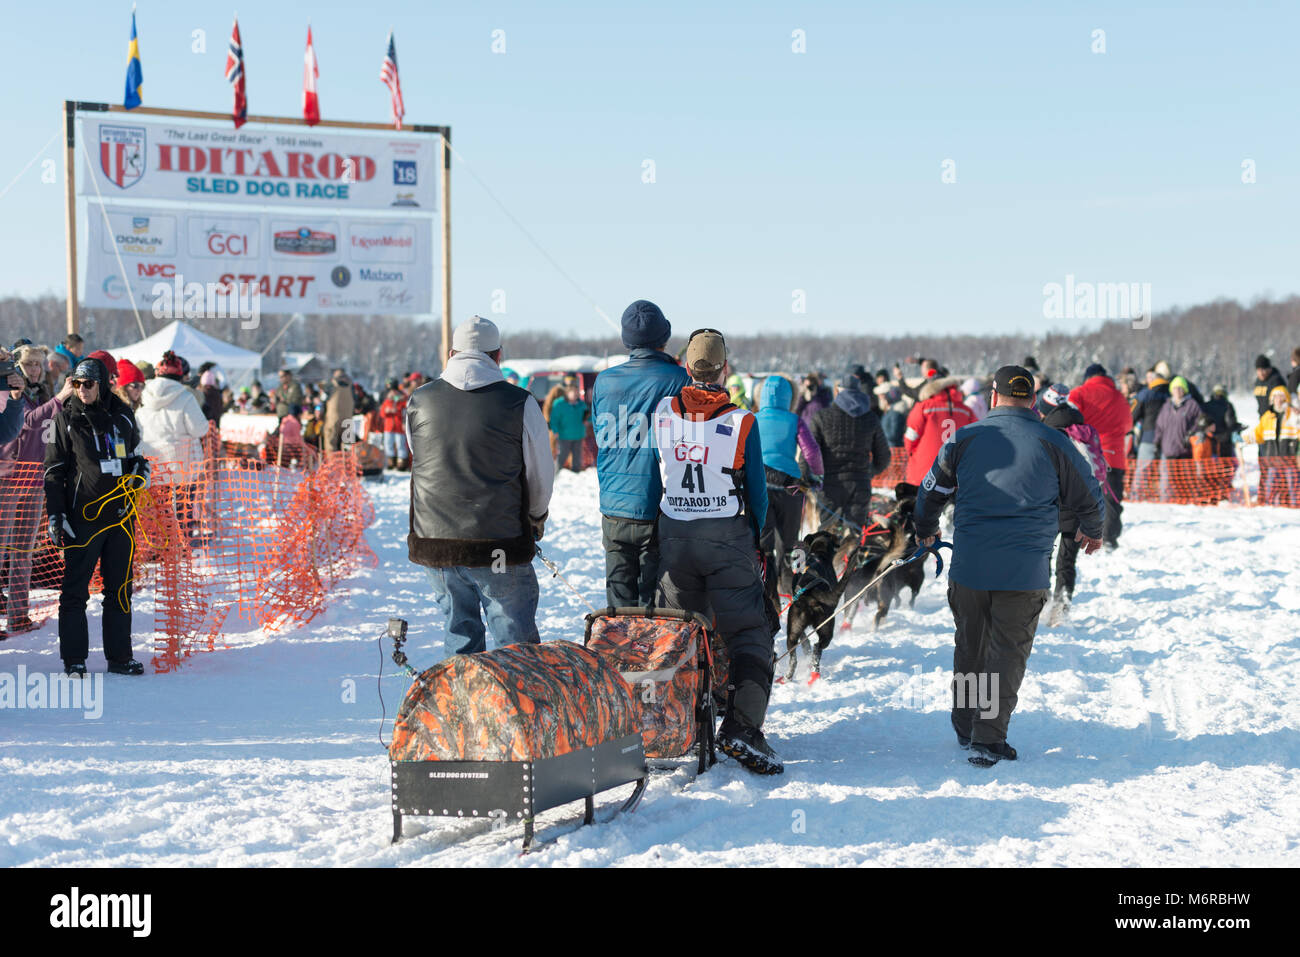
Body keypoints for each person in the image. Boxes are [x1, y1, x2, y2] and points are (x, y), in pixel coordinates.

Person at [914, 365, 1103, 767]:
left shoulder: (963, 439)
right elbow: (1090, 492)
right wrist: (1094, 530)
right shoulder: (1054, 442)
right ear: (1033, 400)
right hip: (1024, 571)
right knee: (1006, 653)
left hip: (971, 568)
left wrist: (926, 529)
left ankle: (967, 727)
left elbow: (931, 492)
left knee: (971, 646)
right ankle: (987, 737)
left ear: (994, 396)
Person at [652, 328, 781, 774]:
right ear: (725, 369)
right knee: (749, 632)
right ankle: (743, 727)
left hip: (675, 537)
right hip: (727, 537)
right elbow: (760, 495)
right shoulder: (743, 420)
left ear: (687, 367)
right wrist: (758, 539)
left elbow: (661, 469)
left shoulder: (663, 413)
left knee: (678, 635)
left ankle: (673, 720)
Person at [406, 316, 554, 657]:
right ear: (497, 356)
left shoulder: (419, 400)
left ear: (451, 353)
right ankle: (516, 708)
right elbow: (540, 472)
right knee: (513, 643)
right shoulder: (519, 402)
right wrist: (537, 514)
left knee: (459, 638)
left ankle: (463, 707)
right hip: (498, 540)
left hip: (437, 540)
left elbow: (421, 457)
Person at [43, 357, 149, 676]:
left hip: (119, 515)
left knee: (119, 588)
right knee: (76, 590)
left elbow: (130, 457)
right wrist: (56, 514)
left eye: (88, 384)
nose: (82, 390)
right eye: (76, 384)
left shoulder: (122, 417)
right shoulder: (65, 420)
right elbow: (53, 471)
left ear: (102, 385)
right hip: (82, 518)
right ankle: (74, 658)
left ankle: (119, 657)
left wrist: (140, 471)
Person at [591, 300, 691, 607]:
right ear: (664, 337)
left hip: (615, 505)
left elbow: (600, 435)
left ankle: (618, 654)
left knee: (619, 607)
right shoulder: (679, 380)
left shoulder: (604, 382)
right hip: (658, 508)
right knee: (655, 607)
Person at [2, 346, 75, 634]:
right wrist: (60, 398)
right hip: (8, 478)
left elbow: (52, 428)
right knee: (1, 550)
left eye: (38, 364)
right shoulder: (7, 387)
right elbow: (27, 423)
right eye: (29, 363)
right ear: (17, 365)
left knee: (24, 551)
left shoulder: (42, 391)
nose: (34, 369)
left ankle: (18, 616)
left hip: (34, 479)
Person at [1037, 384, 1109, 622]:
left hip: (1051, 501)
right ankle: (1062, 607)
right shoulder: (1082, 427)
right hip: (1077, 502)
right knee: (1067, 559)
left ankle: (1041, 602)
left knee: (1043, 554)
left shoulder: (1048, 432)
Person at [754, 373, 824, 598]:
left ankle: (767, 594)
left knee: (763, 546)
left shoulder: (752, 419)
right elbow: (811, 451)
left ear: (762, 395)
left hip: (760, 487)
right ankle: (789, 590)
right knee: (790, 544)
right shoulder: (795, 420)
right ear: (790, 397)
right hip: (791, 489)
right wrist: (817, 475)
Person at [137, 351, 210, 538]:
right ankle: (182, 546)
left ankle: (159, 546)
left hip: (153, 464)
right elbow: (200, 429)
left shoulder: (144, 397)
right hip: (182, 466)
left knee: (158, 510)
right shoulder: (185, 398)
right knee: (183, 509)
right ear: (179, 376)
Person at [810, 374, 891, 530]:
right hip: (859, 485)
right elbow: (884, 457)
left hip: (829, 486)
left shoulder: (821, 417)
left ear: (838, 391)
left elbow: (811, 454)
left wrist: (810, 477)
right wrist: (868, 472)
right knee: (853, 538)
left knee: (828, 536)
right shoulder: (871, 418)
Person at [1069, 364, 1131, 549]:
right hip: (1114, 455)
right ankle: (1109, 538)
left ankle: (1077, 537)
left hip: (1086, 454)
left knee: (1081, 497)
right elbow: (1128, 424)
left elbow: (1069, 419)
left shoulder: (1079, 393)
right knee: (1111, 500)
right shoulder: (1119, 396)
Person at [903, 373, 977, 487]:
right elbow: (974, 438)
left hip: (925, 471)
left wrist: (911, 453)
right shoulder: (966, 411)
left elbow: (911, 436)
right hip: (956, 472)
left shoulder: (924, 407)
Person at [1247, 385, 1300, 505]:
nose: (1279, 399)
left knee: (1293, 486)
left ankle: (1295, 506)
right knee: (1271, 486)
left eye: (1282, 396)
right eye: (1276, 396)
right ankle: (1271, 506)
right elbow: (1258, 433)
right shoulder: (1267, 416)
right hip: (1272, 460)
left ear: (1286, 398)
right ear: (1272, 399)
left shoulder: (1293, 414)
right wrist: (1246, 438)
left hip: (1289, 460)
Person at [1153, 376, 1201, 501]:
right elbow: (1159, 426)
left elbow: (1199, 423)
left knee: (1185, 479)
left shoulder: (1192, 405)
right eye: (1175, 388)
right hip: (1168, 449)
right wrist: (1156, 442)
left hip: (1184, 449)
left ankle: (1187, 500)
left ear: (1184, 390)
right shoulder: (1166, 406)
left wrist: (1191, 435)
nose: (1177, 391)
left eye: (1180, 388)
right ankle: (1171, 501)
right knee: (1170, 479)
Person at [1130, 367, 1169, 501]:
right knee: (1166, 470)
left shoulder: (1145, 394)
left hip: (1148, 435)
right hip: (1168, 438)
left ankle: (1137, 496)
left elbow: (1131, 415)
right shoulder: (1170, 394)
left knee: (1143, 468)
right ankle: (1166, 497)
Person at [549, 380, 590, 473]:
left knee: (577, 458)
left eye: (577, 392)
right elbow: (554, 419)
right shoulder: (559, 404)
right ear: (567, 393)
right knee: (562, 456)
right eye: (573, 392)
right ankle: (555, 474)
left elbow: (588, 417)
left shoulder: (581, 404)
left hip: (578, 435)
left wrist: (587, 420)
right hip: (564, 436)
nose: (576, 394)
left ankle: (576, 475)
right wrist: (555, 431)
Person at [379, 380, 409, 470]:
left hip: (399, 427)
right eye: (391, 391)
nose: (393, 393)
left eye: (394, 391)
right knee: (388, 444)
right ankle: (390, 462)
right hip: (389, 428)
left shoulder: (402, 400)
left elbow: (406, 410)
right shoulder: (387, 401)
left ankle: (402, 463)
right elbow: (382, 413)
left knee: (400, 445)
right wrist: (386, 411)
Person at [322, 368, 355, 452]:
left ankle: (332, 462)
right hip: (348, 418)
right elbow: (355, 400)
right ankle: (348, 462)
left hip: (333, 417)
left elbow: (323, 399)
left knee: (331, 442)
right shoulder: (351, 385)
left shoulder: (331, 385)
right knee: (347, 443)